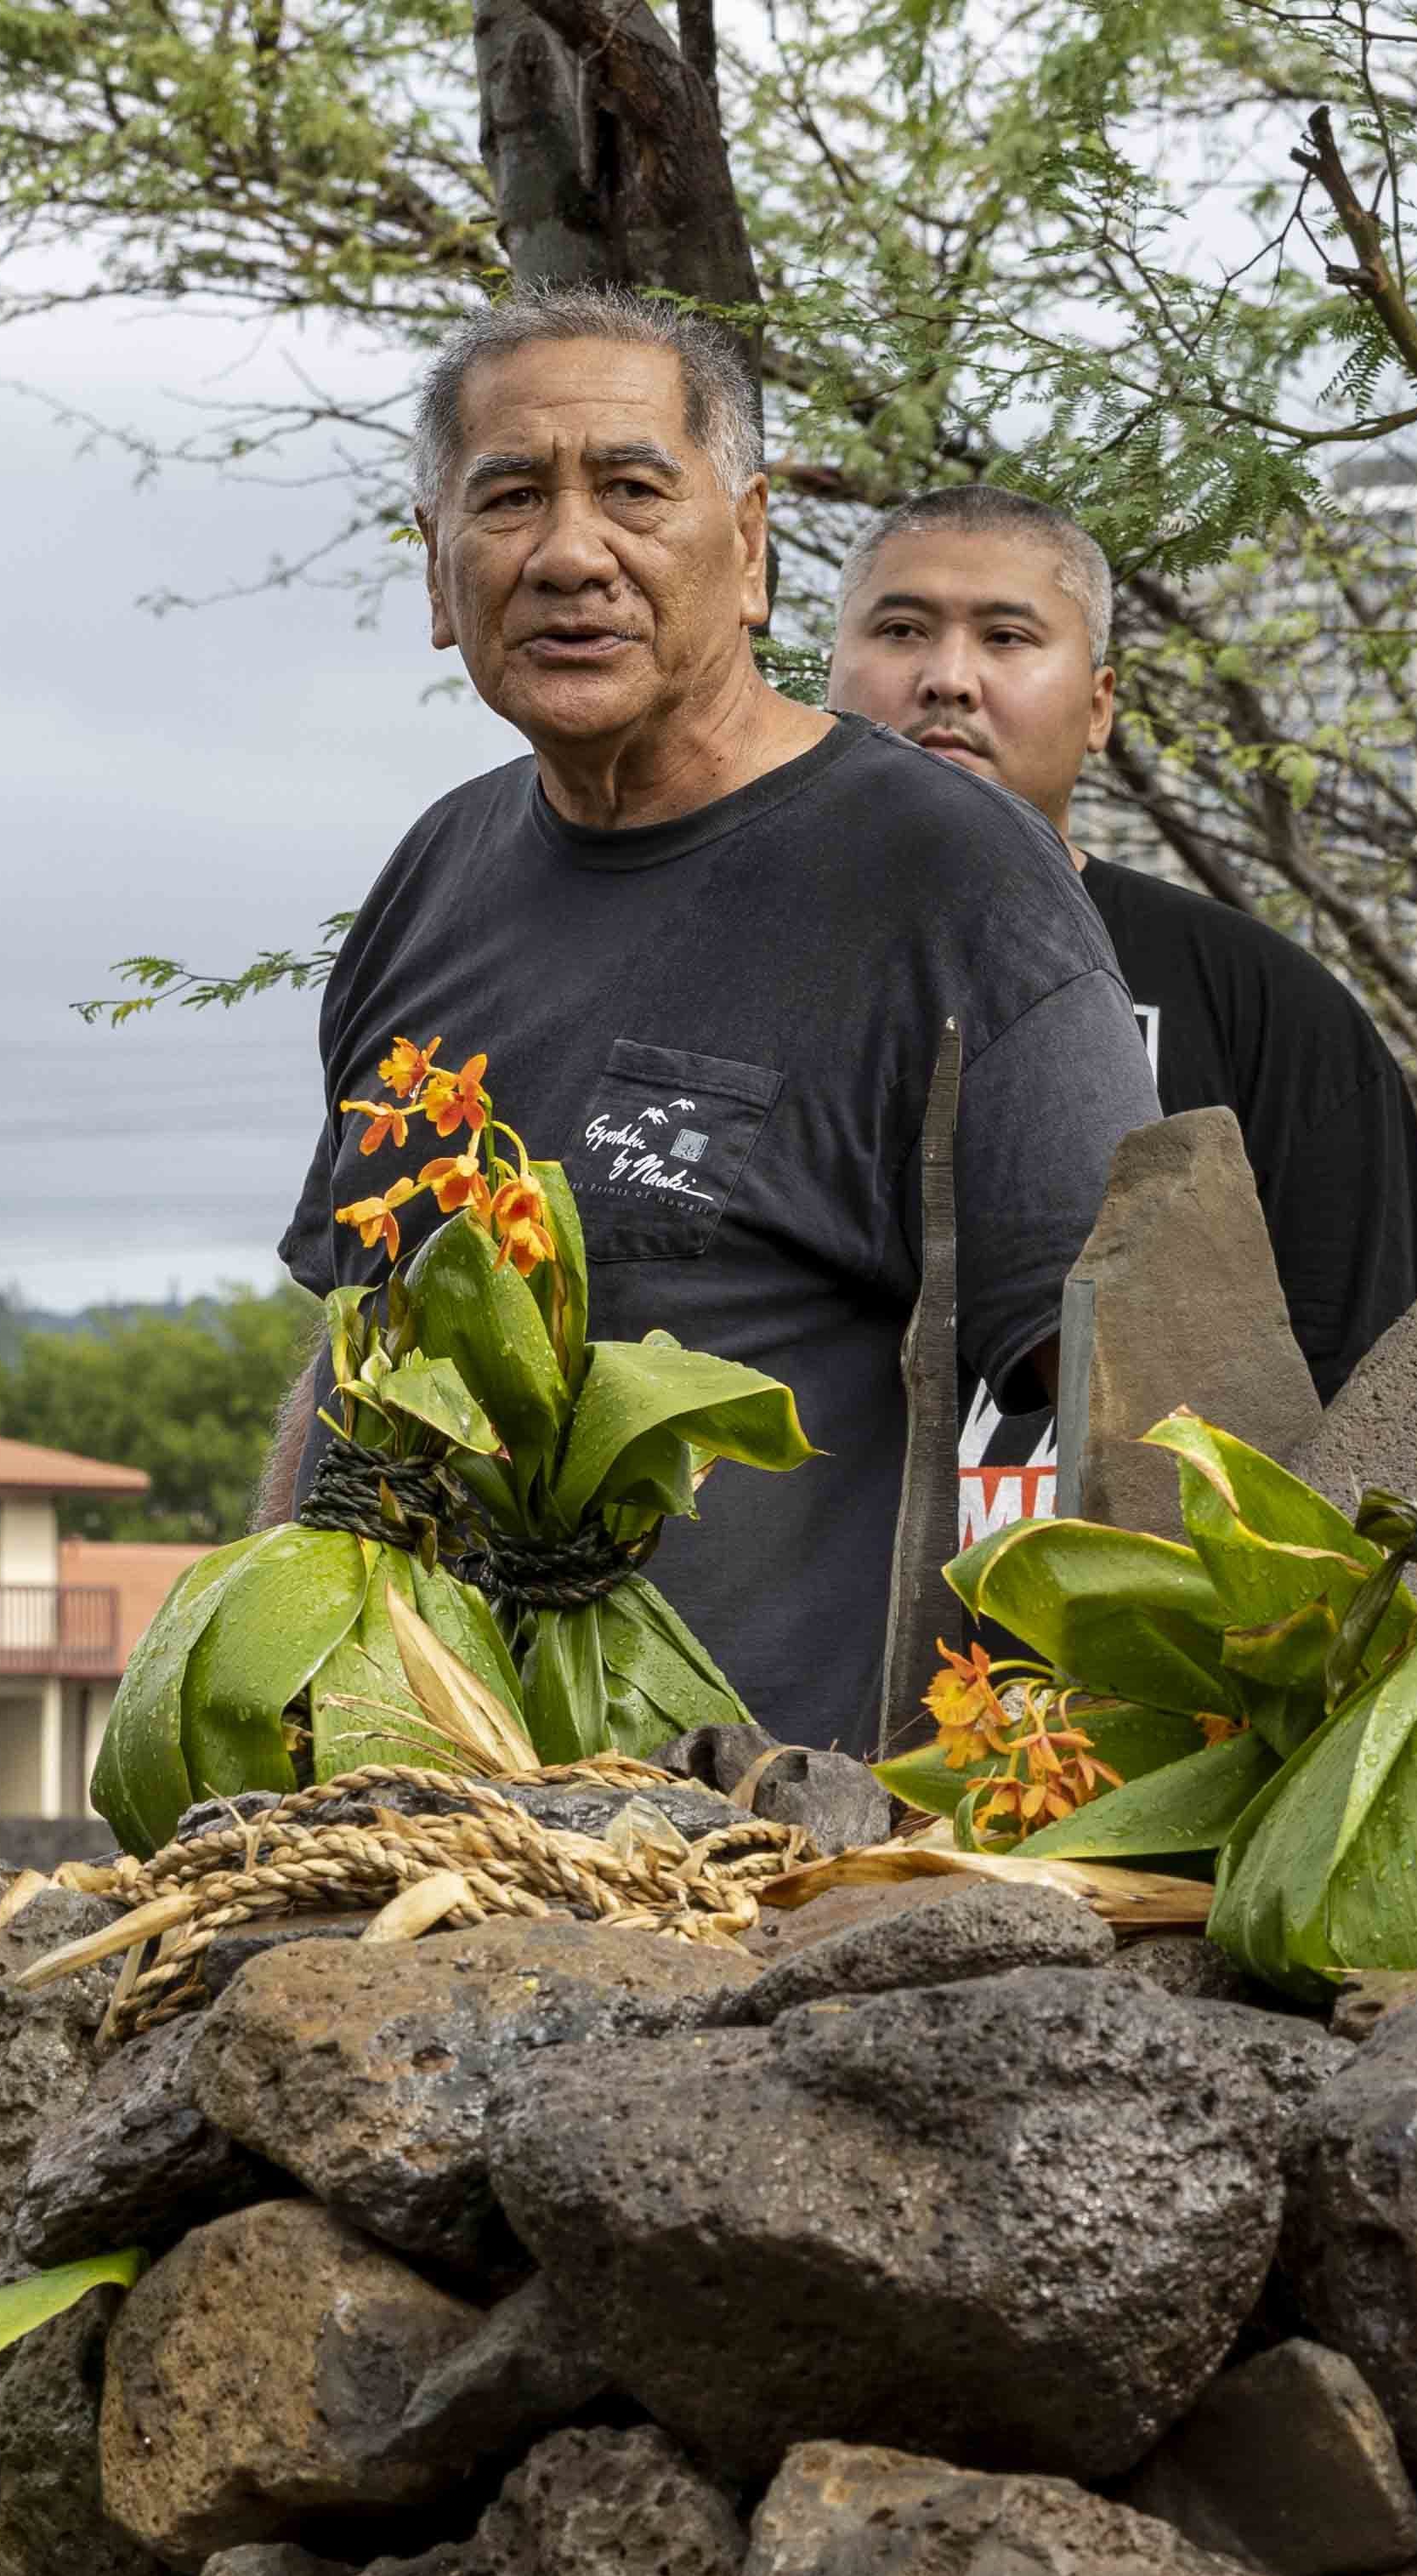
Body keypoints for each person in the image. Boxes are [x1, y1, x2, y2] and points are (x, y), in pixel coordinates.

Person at [282, 293, 1159, 1749]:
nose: (571, 554)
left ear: (747, 550)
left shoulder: (944, 879)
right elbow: (344, 1354)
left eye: (631, 489)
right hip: (416, 1847)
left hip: (765, 1883)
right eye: (508, 500)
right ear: (439, 576)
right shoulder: (429, 880)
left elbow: (1130, 1394)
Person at [824, 485, 1417, 1419]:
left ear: (1100, 705)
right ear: (827, 677)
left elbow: (1360, 1420)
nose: (948, 677)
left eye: (1007, 637)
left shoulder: (1271, 1014)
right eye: (902, 629)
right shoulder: (704, 961)